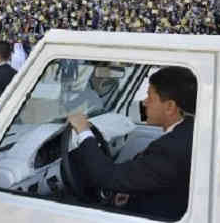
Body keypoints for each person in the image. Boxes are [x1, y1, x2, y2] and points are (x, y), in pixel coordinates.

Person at [67, 66, 196, 220]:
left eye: (150, 97)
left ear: (170, 107)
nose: (145, 103)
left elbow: (106, 177)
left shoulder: (170, 148)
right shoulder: (188, 132)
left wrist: (83, 131)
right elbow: (151, 174)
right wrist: (131, 191)